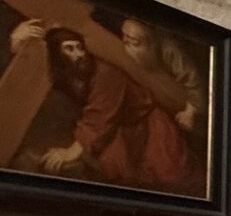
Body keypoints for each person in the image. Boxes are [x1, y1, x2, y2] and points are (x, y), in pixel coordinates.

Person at [37, 26, 195, 192]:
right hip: (120, 130)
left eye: (80, 47)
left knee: (174, 176)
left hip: (150, 127)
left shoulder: (105, 74)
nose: (79, 54)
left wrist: (69, 153)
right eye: (70, 49)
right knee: (119, 175)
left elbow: (99, 118)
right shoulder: (67, 76)